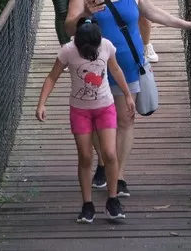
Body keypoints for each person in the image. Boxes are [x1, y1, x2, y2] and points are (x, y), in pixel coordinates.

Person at [65, 0, 191, 198]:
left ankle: (118, 174)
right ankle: (105, 162)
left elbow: (153, 13)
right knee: (99, 121)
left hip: (129, 62)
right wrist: (84, 12)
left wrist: (186, 25)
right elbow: (70, 29)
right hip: (95, 65)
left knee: (126, 119)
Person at [35, 16, 135, 223]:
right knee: (86, 156)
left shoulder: (106, 45)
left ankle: (113, 201)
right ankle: (87, 204)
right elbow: (52, 76)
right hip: (80, 111)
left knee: (109, 153)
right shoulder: (68, 51)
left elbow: (115, 69)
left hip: (105, 107)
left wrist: (127, 95)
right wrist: (41, 103)